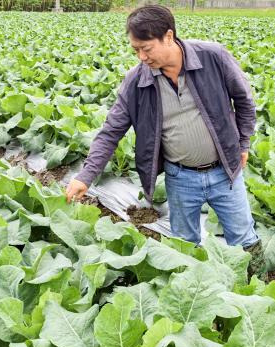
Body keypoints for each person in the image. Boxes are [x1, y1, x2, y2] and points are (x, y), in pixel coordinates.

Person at [65, 5, 263, 274]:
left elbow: (245, 101)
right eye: (135, 50)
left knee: (245, 240)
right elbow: (111, 131)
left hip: (225, 172)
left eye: (146, 48)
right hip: (180, 178)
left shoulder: (212, 57)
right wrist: (85, 176)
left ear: (168, 36)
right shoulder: (136, 81)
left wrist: (243, 143)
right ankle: (194, 297)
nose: (141, 56)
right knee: (183, 245)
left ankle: (259, 296)